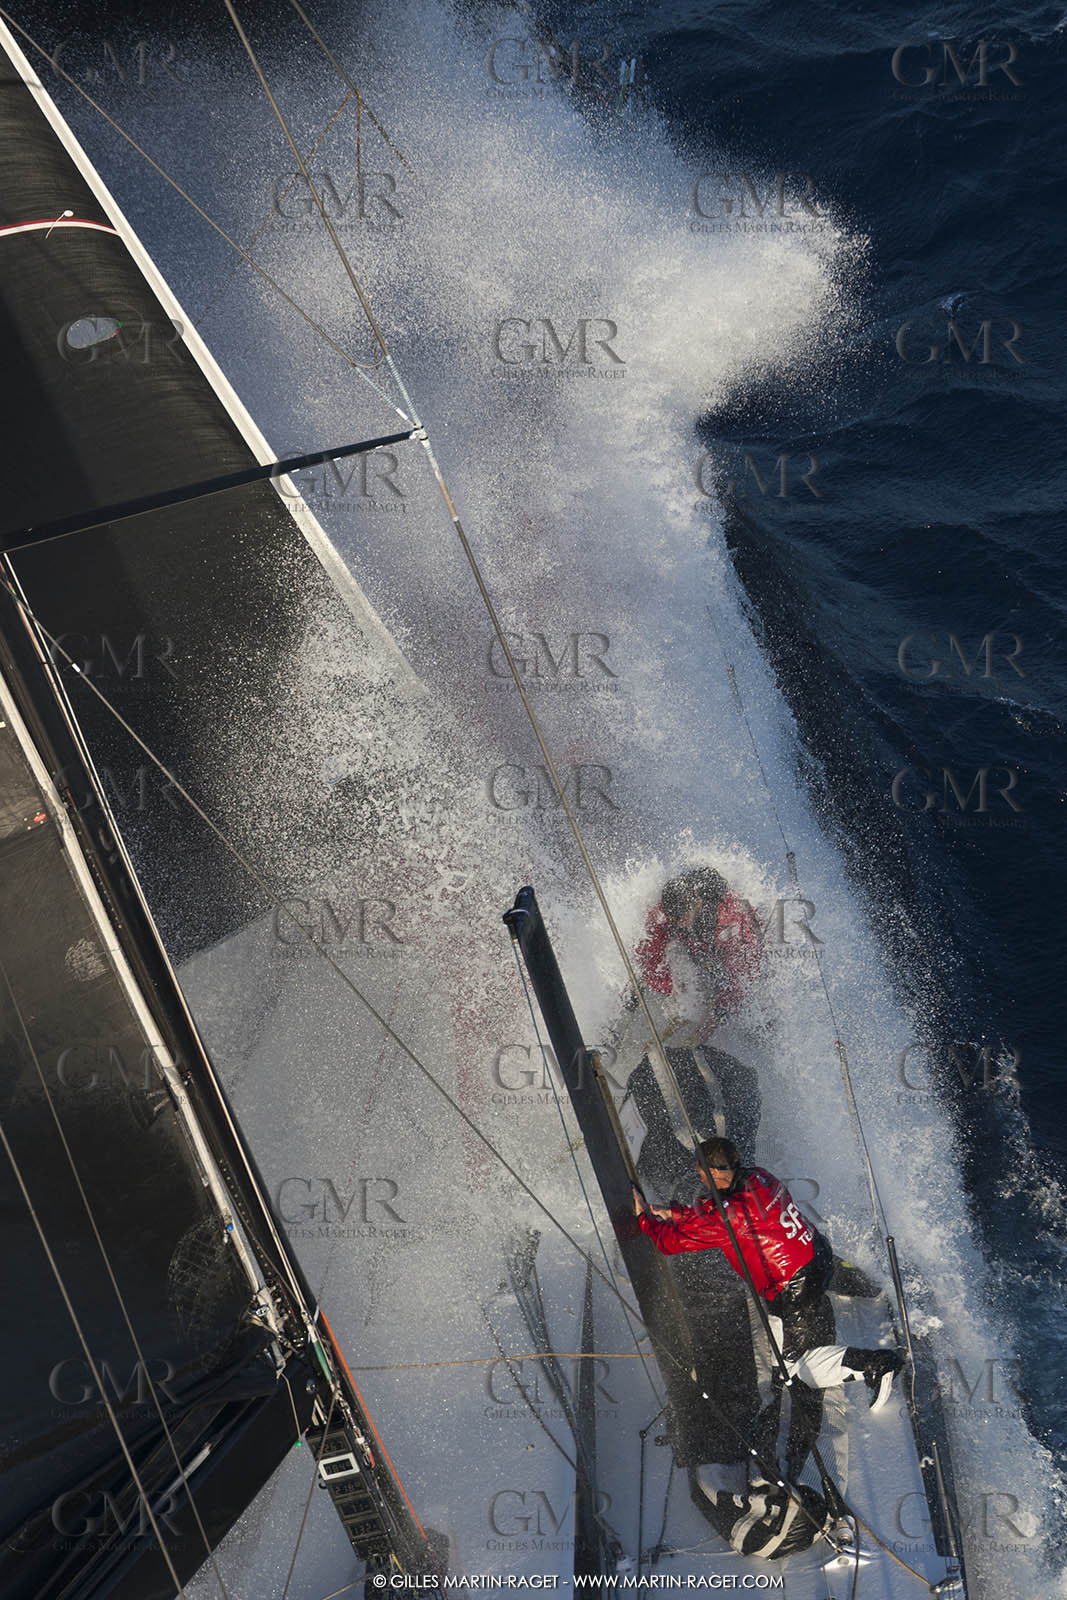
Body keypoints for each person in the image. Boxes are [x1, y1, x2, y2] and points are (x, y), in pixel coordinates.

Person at [632, 1137, 904, 1416]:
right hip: (817, 1251)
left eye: (699, 1168)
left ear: (711, 1173)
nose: (698, 1173)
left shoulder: (730, 1216)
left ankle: (876, 1364)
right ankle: (871, 1287)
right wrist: (673, 1212)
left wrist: (644, 1218)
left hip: (797, 1288)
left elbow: (669, 1242)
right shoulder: (759, 1176)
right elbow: (716, 1213)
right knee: (804, 1293)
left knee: (795, 1372)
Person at [636, 865, 764, 1026]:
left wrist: (717, 1014)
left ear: (697, 903)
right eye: (673, 917)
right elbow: (650, 954)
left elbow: (743, 979)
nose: (677, 921)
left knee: (742, 1001)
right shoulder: (669, 908)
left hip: (744, 955)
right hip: (702, 945)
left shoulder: (731, 923)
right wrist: (670, 988)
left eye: (681, 916)